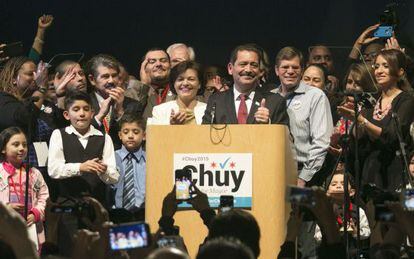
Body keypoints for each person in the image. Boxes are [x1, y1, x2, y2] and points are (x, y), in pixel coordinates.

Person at [338, 49, 414, 191]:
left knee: (394, 212)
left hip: (395, 174)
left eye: (386, 66)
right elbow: (361, 143)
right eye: (377, 66)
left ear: (400, 72)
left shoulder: (406, 100)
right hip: (369, 174)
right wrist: (353, 120)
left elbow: (391, 136)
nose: (379, 71)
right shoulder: (371, 101)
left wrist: (362, 121)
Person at [202, 44, 289, 125]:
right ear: (230, 68)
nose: (248, 69)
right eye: (243, 64)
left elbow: (288, 138)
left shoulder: (275, 102)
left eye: (254, 65)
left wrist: (268, 124)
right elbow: (204, 135)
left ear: (259, 71)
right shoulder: (216, 101)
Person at [0, 127, 49, 249]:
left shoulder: (34, 173)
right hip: (4, 226)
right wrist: (5, 209)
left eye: (24, 145)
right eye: (16, 145)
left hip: (30, 226)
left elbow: (44, 196)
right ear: (3, 149)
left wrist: (36, 212)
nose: (21, 148)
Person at [86, 54, 142, 149]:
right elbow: (80, 133)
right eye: (105, 76)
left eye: (114, 76)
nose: (111, 81)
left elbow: (133, 136)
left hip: (120, 159)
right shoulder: (83, 103)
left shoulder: (133, 105)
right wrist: (99, 116)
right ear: (92, 80)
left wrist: (119, 111)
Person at [314, 171, 370, 243]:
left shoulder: (358, 211)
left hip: (352, 250)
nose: (338, 186)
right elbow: (317, 236)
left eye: (343, 184)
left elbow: (366, 231)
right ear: (327, 192)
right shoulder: (324, 211)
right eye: (334, 184)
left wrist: (355, 231)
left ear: (352, 192)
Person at [126, 48, 175, 120]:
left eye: (163, 61)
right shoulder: (133, 92)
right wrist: (144, 85)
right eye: (152, 62)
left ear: (170, 66)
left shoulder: (179, 90)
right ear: (144, 67)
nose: (158, 64)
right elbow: (129, 119)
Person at [113, 114, 146, 213]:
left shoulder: (151, 159)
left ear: (144, 135)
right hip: (116, 214)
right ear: (120, 135)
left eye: (135, 132)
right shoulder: (112, 158)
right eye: (126, 132)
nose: (130, 136)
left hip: (144, 212)